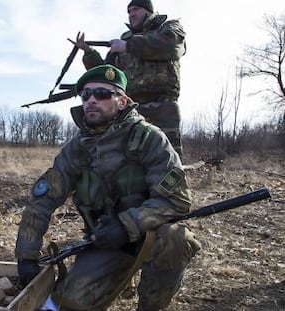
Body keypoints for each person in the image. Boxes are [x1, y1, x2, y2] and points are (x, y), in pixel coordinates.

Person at [15, 65, 200, 311]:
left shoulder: (150, 139)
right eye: (86, 95)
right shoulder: (76, 149)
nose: (91, 100)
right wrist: (26, 256)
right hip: (106, 243)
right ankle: (116, 275)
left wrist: (128, 225)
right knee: (65, 305)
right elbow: (42, 200)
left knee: (175, 238)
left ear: (122, 101)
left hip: (149, 236)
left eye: (102, 94)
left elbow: (176, 201)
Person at [73, 0, 186, 157]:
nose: (131, 14)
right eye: (129, 11)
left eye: (136, 9)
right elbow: (109, 75)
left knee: (167, 157)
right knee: (129, 161)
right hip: (129, 110)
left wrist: (127, 46)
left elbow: (171, 46)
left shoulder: (169, 28)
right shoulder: (124, 40)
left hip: (161, 107)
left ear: (149, 11)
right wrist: (88, 52)